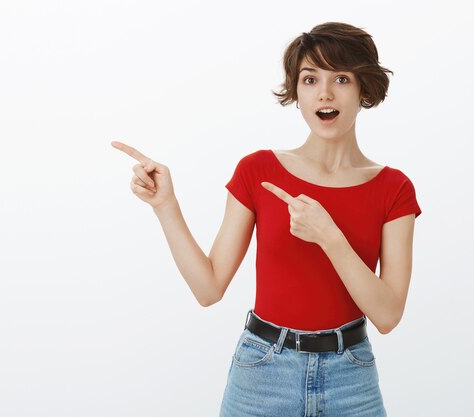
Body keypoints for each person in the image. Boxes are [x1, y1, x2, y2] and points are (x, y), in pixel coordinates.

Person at [111, 21, 421, 417]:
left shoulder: (393, 188)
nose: (324, 93)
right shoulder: (258, 171)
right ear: (296, 91)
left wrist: (330, 237)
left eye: (341, 78)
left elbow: (389, 315)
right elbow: (208, 288)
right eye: (310, 79)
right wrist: (165, 206)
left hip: (351, 380)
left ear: (364, 88)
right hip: (262, 375)